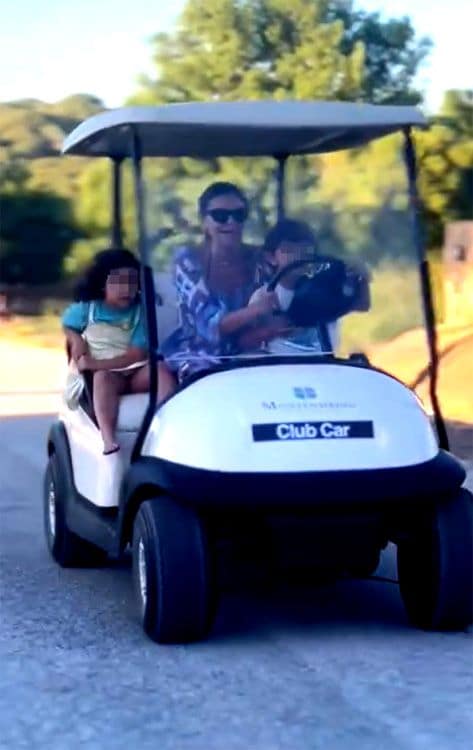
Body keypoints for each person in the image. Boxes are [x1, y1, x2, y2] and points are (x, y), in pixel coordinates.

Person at [161, 182, 281, 379]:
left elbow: (286, 297)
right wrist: (255, 310)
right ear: (204, 222)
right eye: (220, 216)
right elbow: (209, 327)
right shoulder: (188, 262)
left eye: (239, 215)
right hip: (200, 356)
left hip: (253, 349)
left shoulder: (260, 258)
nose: (231, 223)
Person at [62, 248, 175, 455]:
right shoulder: (87, 310)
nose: (126, 288)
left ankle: (166, 424)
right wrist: (76, 338)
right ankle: (107, 437)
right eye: (118, 281)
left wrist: (94, 364)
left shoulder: (140, 312)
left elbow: (136, 355)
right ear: (102, 283)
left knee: (160, 371)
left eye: (132, 281)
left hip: (134, 370)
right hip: (108, 376)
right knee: (102, 379)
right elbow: (68, 324)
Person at [245, 219, 370, 354]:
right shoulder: (264, 296)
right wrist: (270, 330)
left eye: (305, 251)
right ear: (271, 257)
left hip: (325, 365)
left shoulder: (326, 288)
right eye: (289, 250)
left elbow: (362, 305)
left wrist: (360, 279)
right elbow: (247, 341)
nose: (298, 257)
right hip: (281, 368)